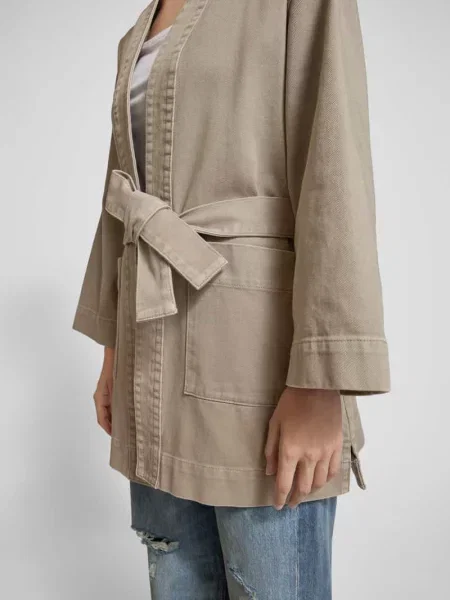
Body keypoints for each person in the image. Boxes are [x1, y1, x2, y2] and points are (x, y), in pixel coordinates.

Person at [72, 0, 391, 597]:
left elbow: (337, 171)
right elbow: (124, 197)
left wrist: (321, 382)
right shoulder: (139, 28)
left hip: (257, 370)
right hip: (151, 366)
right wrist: (114, 348)